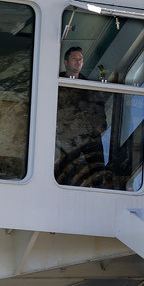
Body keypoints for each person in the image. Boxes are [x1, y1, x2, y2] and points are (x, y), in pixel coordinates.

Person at [55, 46, 110, 186]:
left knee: (98, 172)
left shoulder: (89, 87)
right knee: (67, 172)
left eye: (80, 59)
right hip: (68, 137)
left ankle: (100, 193)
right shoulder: (55, 83)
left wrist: (98, 129)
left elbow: (99, 111)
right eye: (74, 58)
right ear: (66, 62)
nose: (78, 62)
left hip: (89, 136)